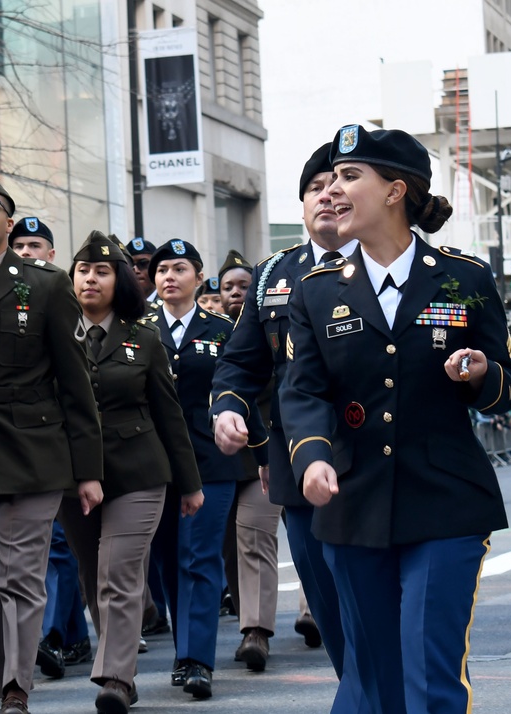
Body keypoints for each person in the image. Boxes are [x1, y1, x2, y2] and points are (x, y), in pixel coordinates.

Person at [280, 124, 511, 713]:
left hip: (446, 499)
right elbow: (302, 389)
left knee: (428, 671)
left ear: (394, 192)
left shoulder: (465, 277)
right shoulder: (314, 292)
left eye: (348, 176)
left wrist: (481, 373)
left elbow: (507, 391)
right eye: (330, 178)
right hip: (352, 502)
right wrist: (311, 456)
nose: (332, 190)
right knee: (374, 676)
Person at [0, 166, 103, 714]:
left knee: (21, 574)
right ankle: (1, 677)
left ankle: (15, 688)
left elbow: (74, 380)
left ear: (9, 221)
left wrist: (87, 470)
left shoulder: (44, 284)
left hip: (35, 452)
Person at [211, 143, 359, 691]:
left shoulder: (386, 265)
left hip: (372, 455)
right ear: (301, 204)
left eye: (339, 184)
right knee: (326, 597)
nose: (328, 195)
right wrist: (227, 408)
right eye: (315, 188)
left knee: (375, 597)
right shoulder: (274, 272)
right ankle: (359, 690)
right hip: (297, 464)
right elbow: (240, 364)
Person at [59, 230, 203, 714]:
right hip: (73, 475)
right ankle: (118, 659)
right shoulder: (54, 333)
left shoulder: (143, 336)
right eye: (84, 270)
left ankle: (116, 677)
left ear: (118, 280)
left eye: (103, 271)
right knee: (91, 573)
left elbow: (169, 413)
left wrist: (189, 483)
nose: (92, 279)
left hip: (139, 471)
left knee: (118, 572)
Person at [146, 239, 262, 700]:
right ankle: (183, 651)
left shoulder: (222, 328)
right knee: (168, 558)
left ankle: (197, 659)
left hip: (211, 460)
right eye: (160, 271)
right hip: (154, 461)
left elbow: (244, 384)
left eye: (179, 269)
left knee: (200, 555)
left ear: (198, 276)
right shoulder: (139, 327)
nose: (169, 277)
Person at [211, 248, 284, 673]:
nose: (236, 293)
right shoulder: (213, 332)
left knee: (258, 535)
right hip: (228, 454)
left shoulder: (272, 323)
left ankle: (262, 628)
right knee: (231, 545)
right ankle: (249, 622)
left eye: (243, 285)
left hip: (276, 445)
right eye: (228, 287)